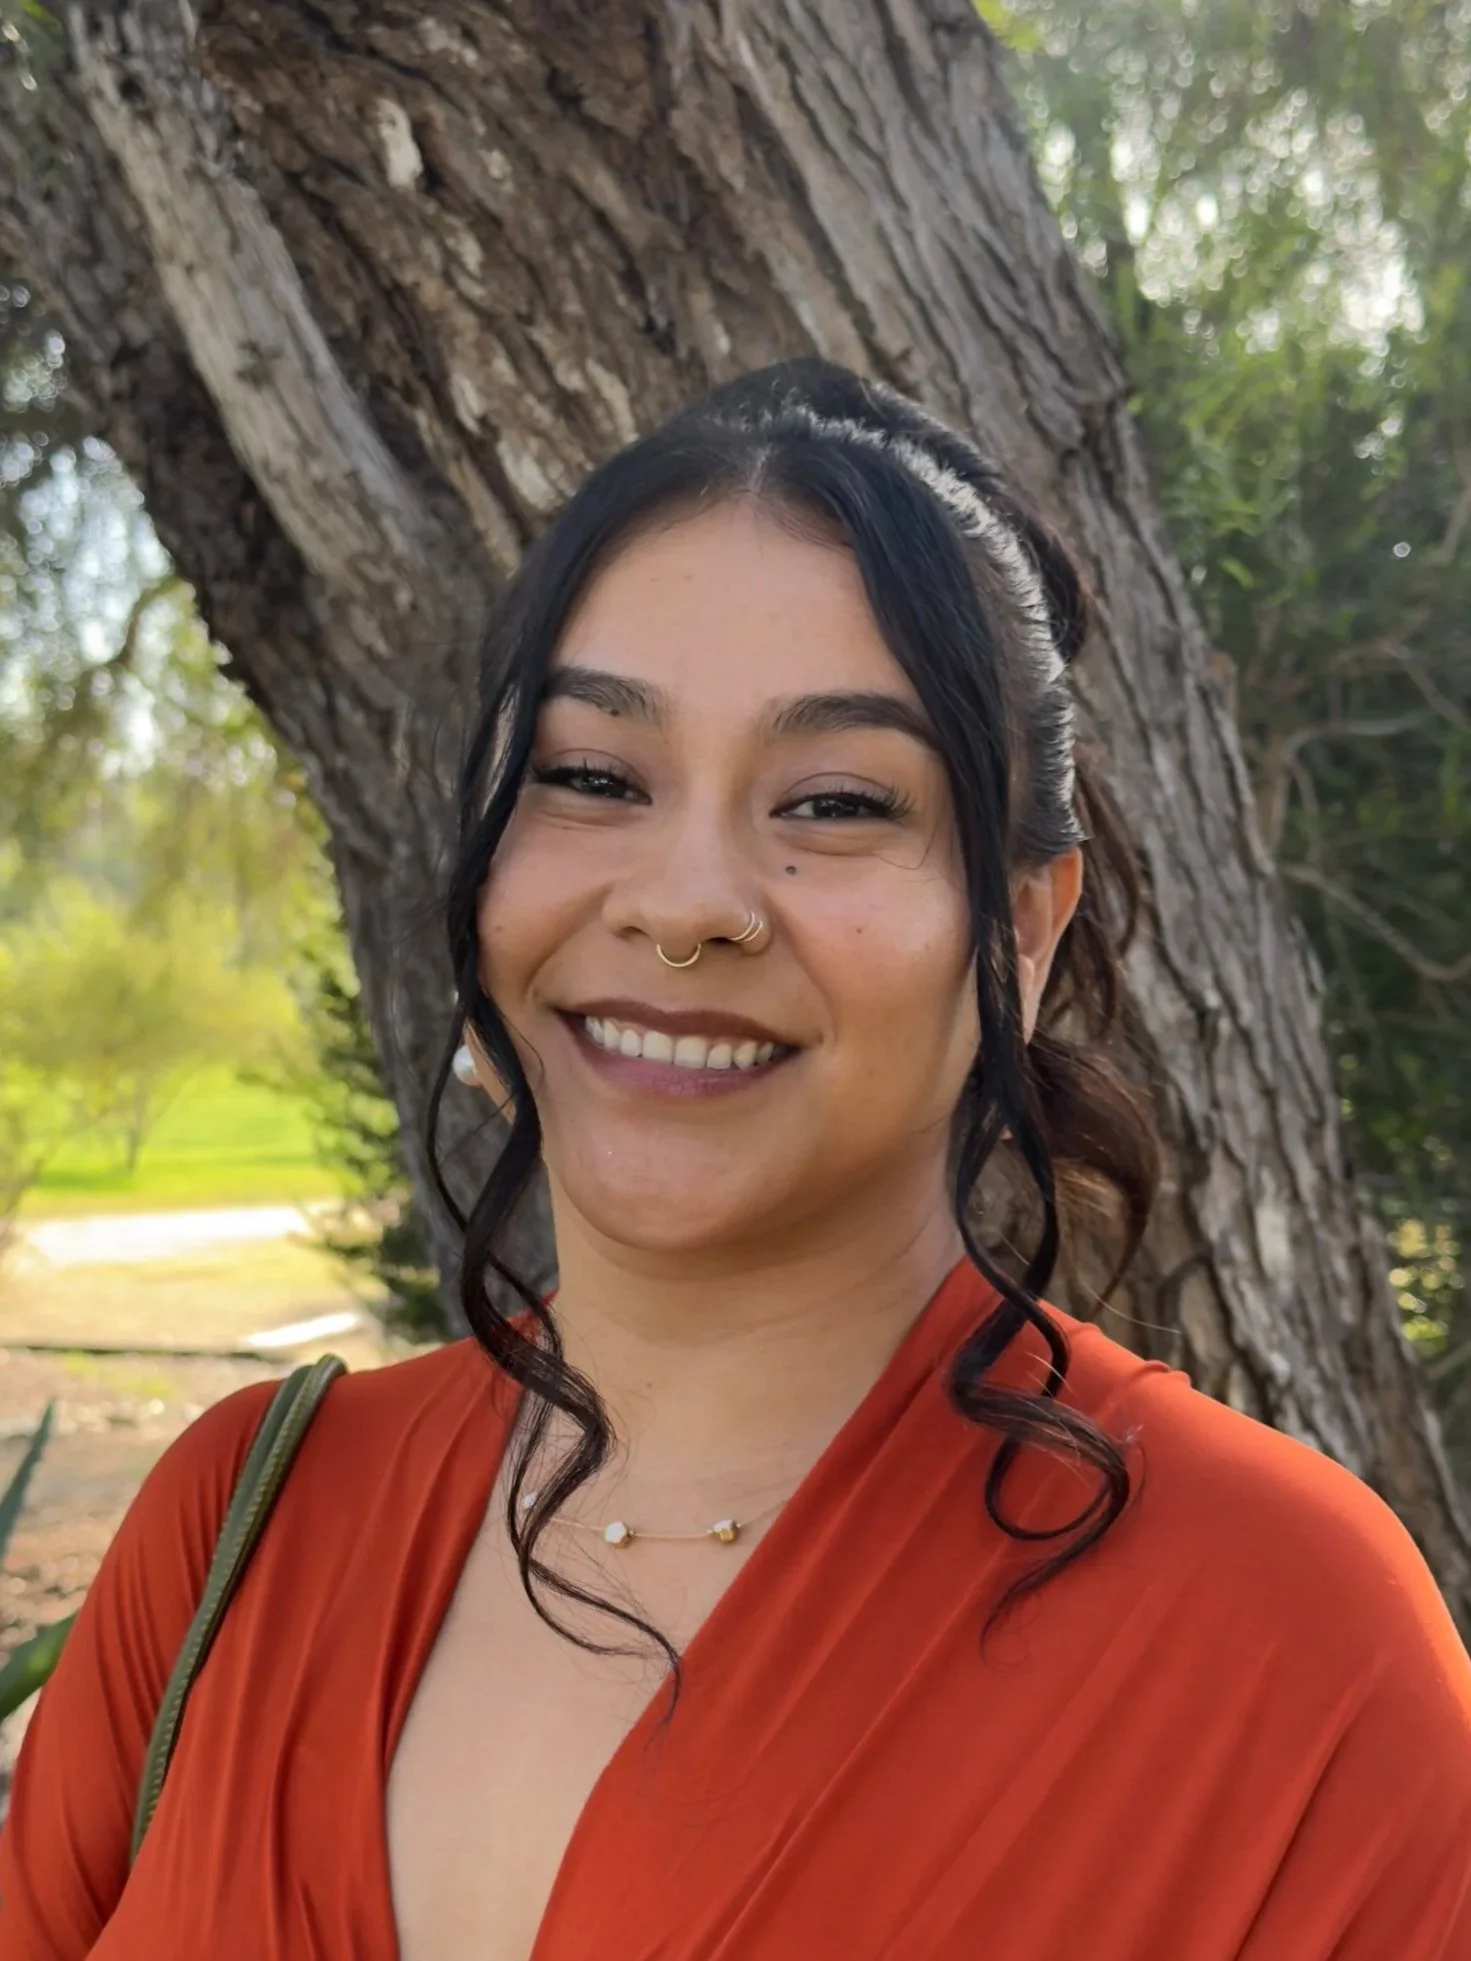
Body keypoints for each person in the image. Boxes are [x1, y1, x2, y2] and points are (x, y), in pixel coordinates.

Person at [2, 361, 1469, 1961]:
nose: (685, 898)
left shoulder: (1284, 1649)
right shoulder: (236, 1529)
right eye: (591, 777)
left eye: (836, 801)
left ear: (1021, 931)